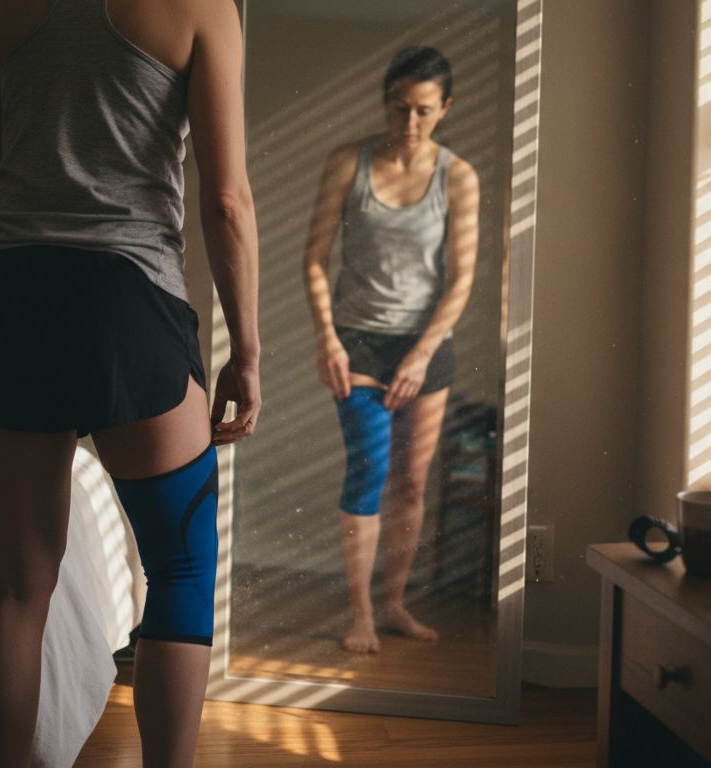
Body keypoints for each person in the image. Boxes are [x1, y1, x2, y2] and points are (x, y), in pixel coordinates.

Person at [0, 1, 259, 766]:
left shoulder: (15, 8)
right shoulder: (203, 8)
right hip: (124, 300)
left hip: (5, 294)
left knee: (20, 586)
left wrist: (35, 266)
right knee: (179, 567)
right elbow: (225, 203)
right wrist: (246, 349)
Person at [301, 46, 479, 654]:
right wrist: (328, 338)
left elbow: (461, 278)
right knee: (369, 471)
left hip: (427, 347)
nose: (409, 123)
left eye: (424, 111)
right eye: (399, 108)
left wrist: (423, 354)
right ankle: (361, 616)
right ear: (385, 103)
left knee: (410, 483)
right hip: (359, 343)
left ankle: (395, 603)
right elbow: (316, 259)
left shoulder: (457, 176)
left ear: (444, 108)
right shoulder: (348, 162)